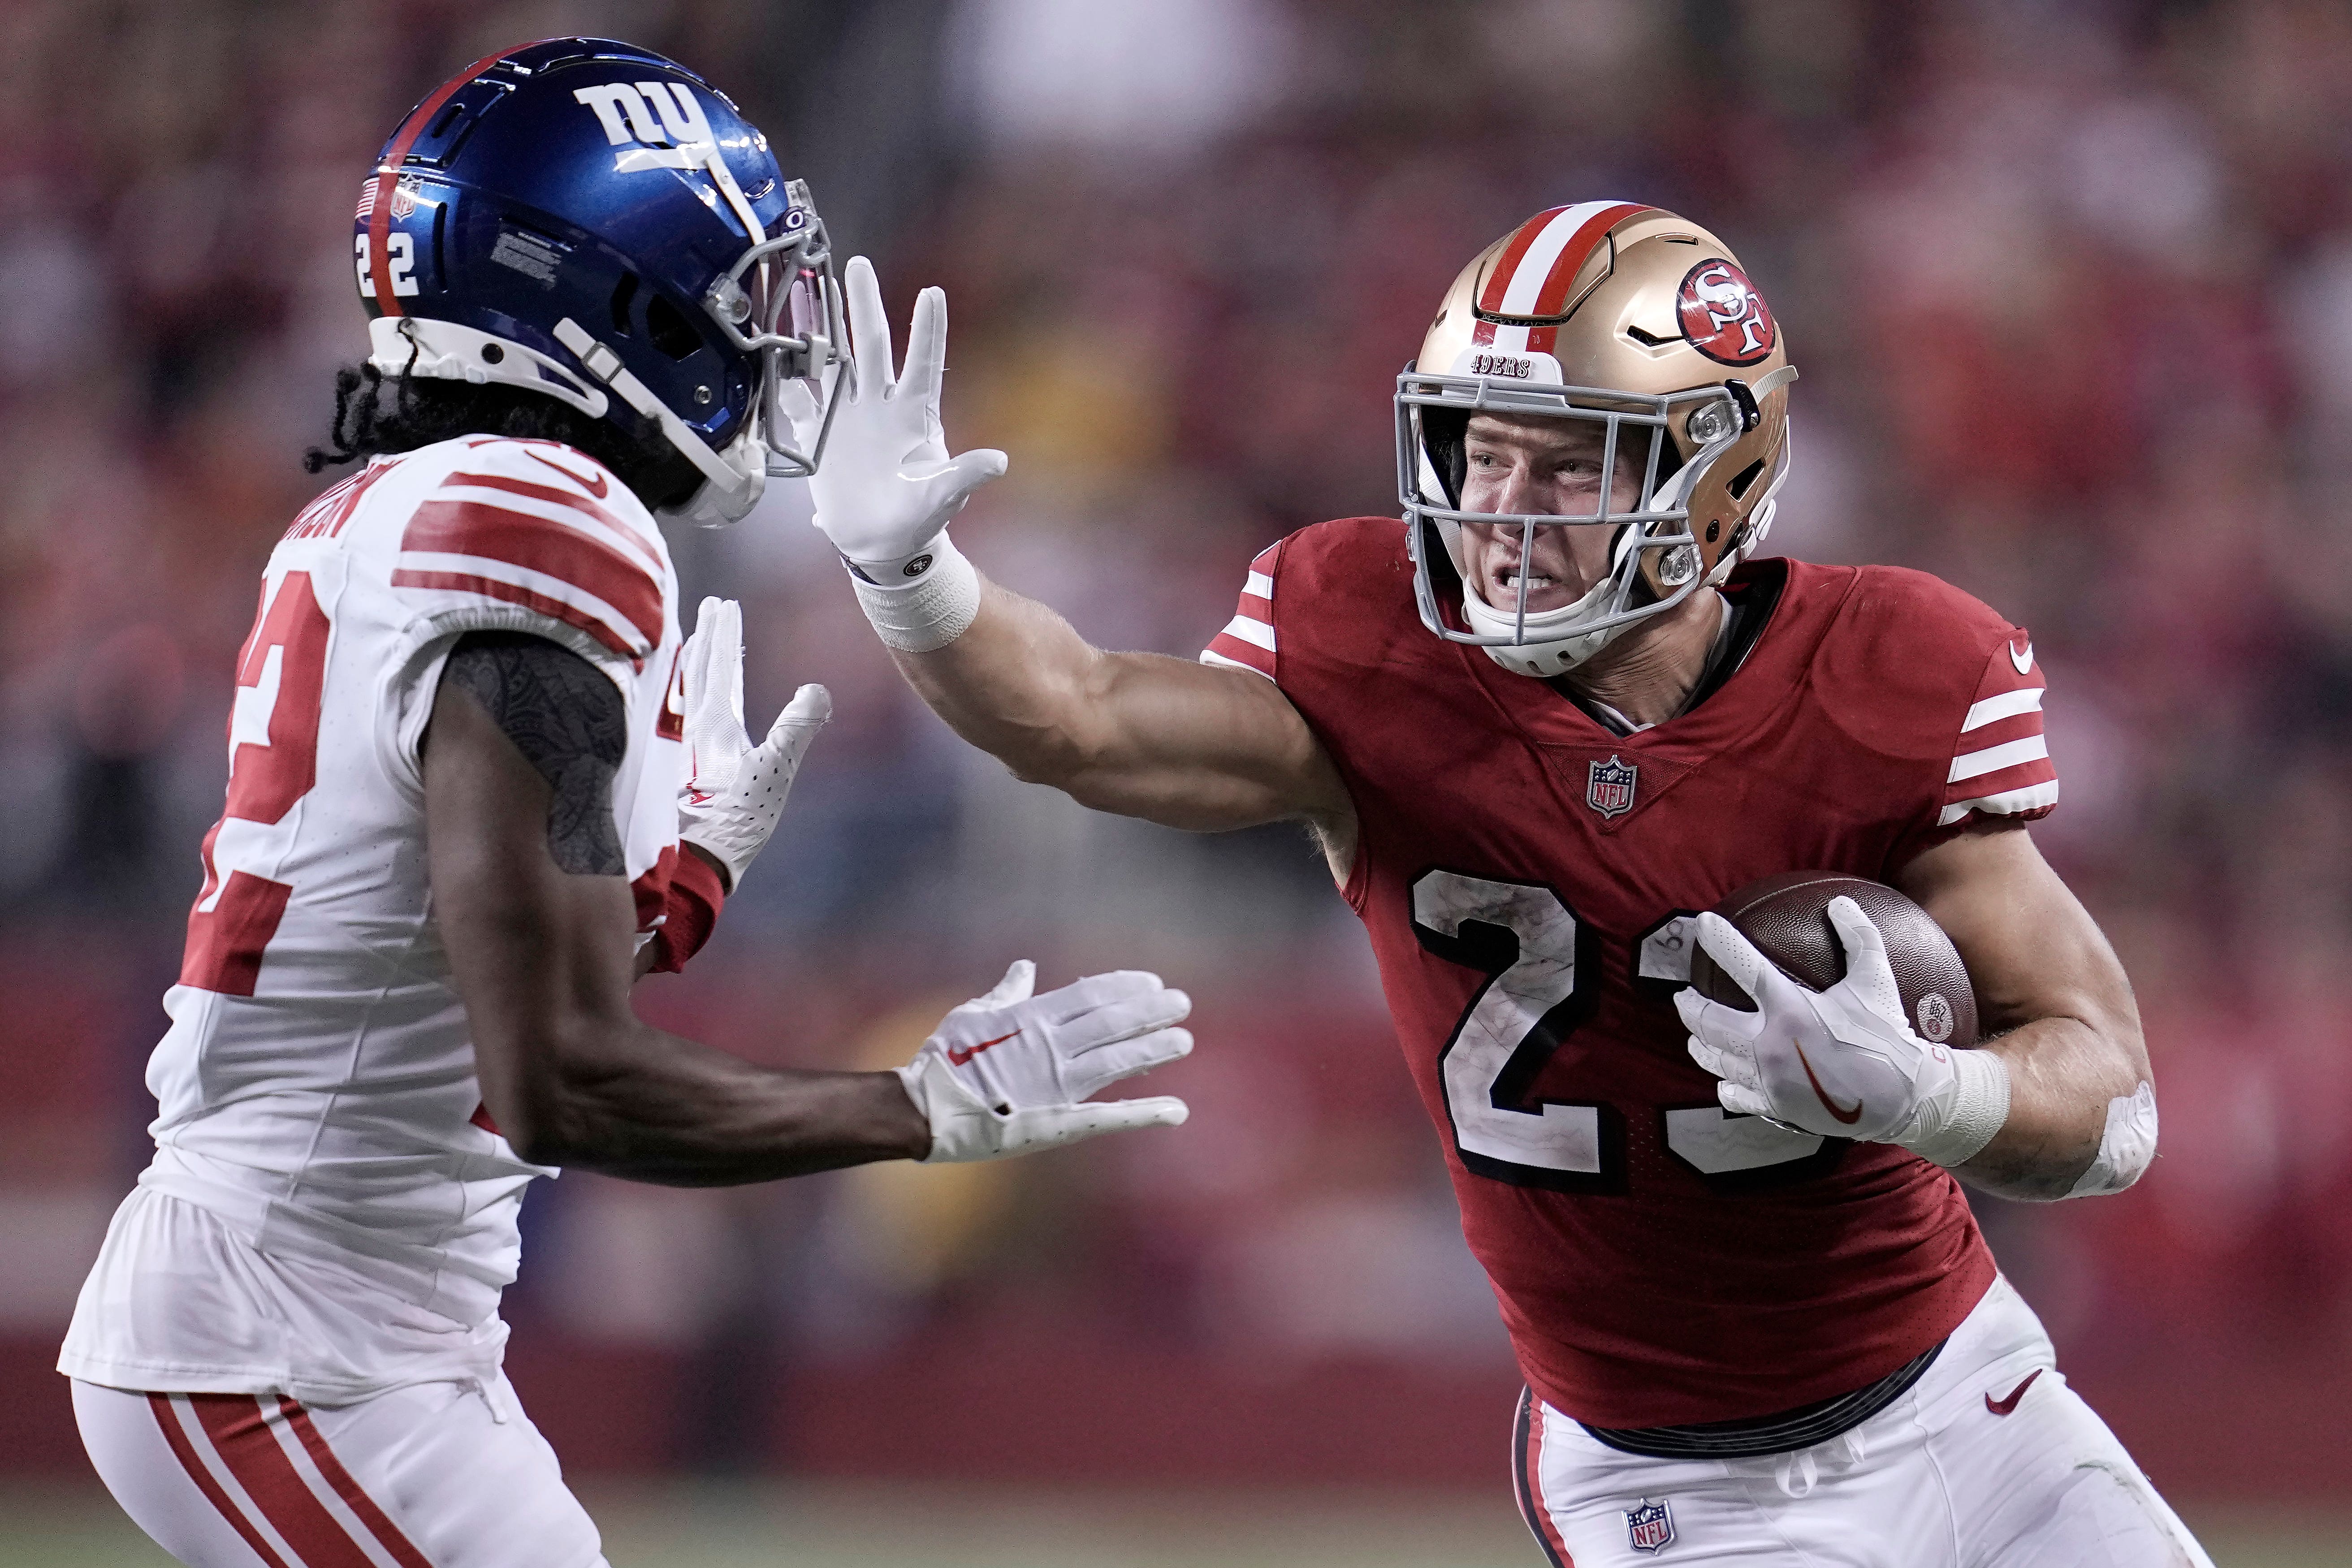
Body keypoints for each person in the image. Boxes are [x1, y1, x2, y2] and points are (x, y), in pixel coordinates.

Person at [797, 202, 2212, 1565]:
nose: (1503, 514)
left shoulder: (1891, 673)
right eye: (1481, 455)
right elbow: (1082, 716)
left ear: (1716, 474)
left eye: (1571, 465)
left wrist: (1924, 1094)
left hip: (1972, 1401)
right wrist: (908, 570)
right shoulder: (1372, 653)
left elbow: (2115, 1103)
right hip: (1674, 1485)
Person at [60, 39, 1193, 1568]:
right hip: (286, 1350)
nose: (770, 343)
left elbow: (460, 985)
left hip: (351, 1329)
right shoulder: (538, 520)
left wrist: (679, 890)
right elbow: (562, 1080)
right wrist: (915, 1111)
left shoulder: (414, 503)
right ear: (616, 303)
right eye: (741, 295)